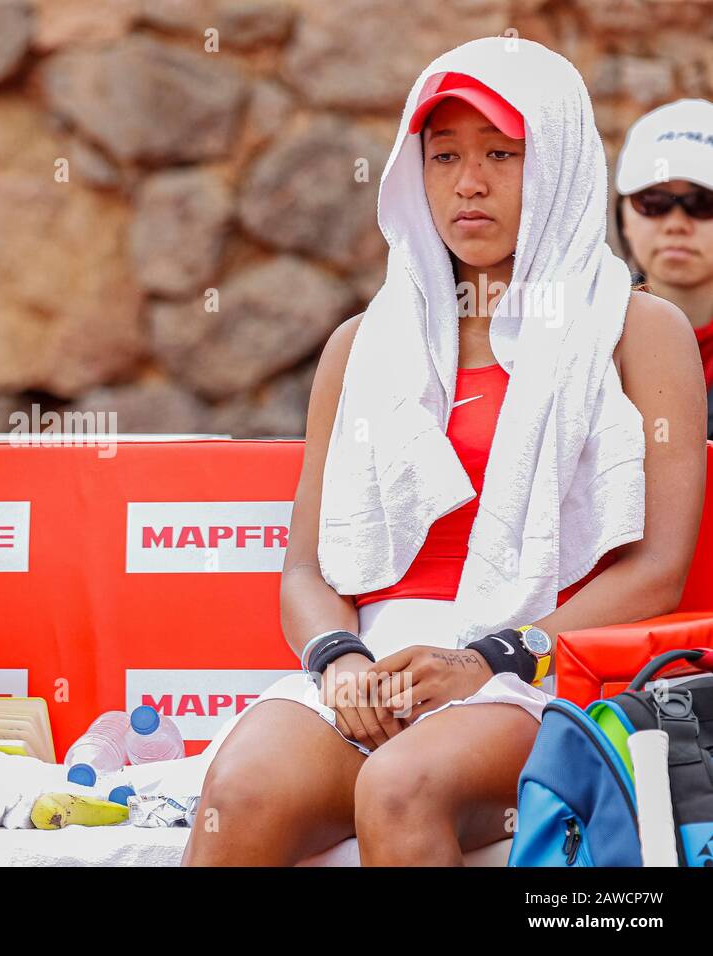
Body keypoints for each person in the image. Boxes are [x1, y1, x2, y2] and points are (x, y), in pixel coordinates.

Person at [182, 39, 706, 866]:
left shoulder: (640, 331)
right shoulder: (361, 345)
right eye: (444, 155)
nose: (469, 182)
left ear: (562, 162)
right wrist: (340, 661)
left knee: (403, 786)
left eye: (503, 154)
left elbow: (656, 571)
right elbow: (306, 571)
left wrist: (489, 658)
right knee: (242, 792)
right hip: (375, 670)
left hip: (539, 667)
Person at [613, 99, 713, 438]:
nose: (676, 224)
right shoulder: (585, 335)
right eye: (653, 202)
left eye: (703, 203)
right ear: (623, 216)